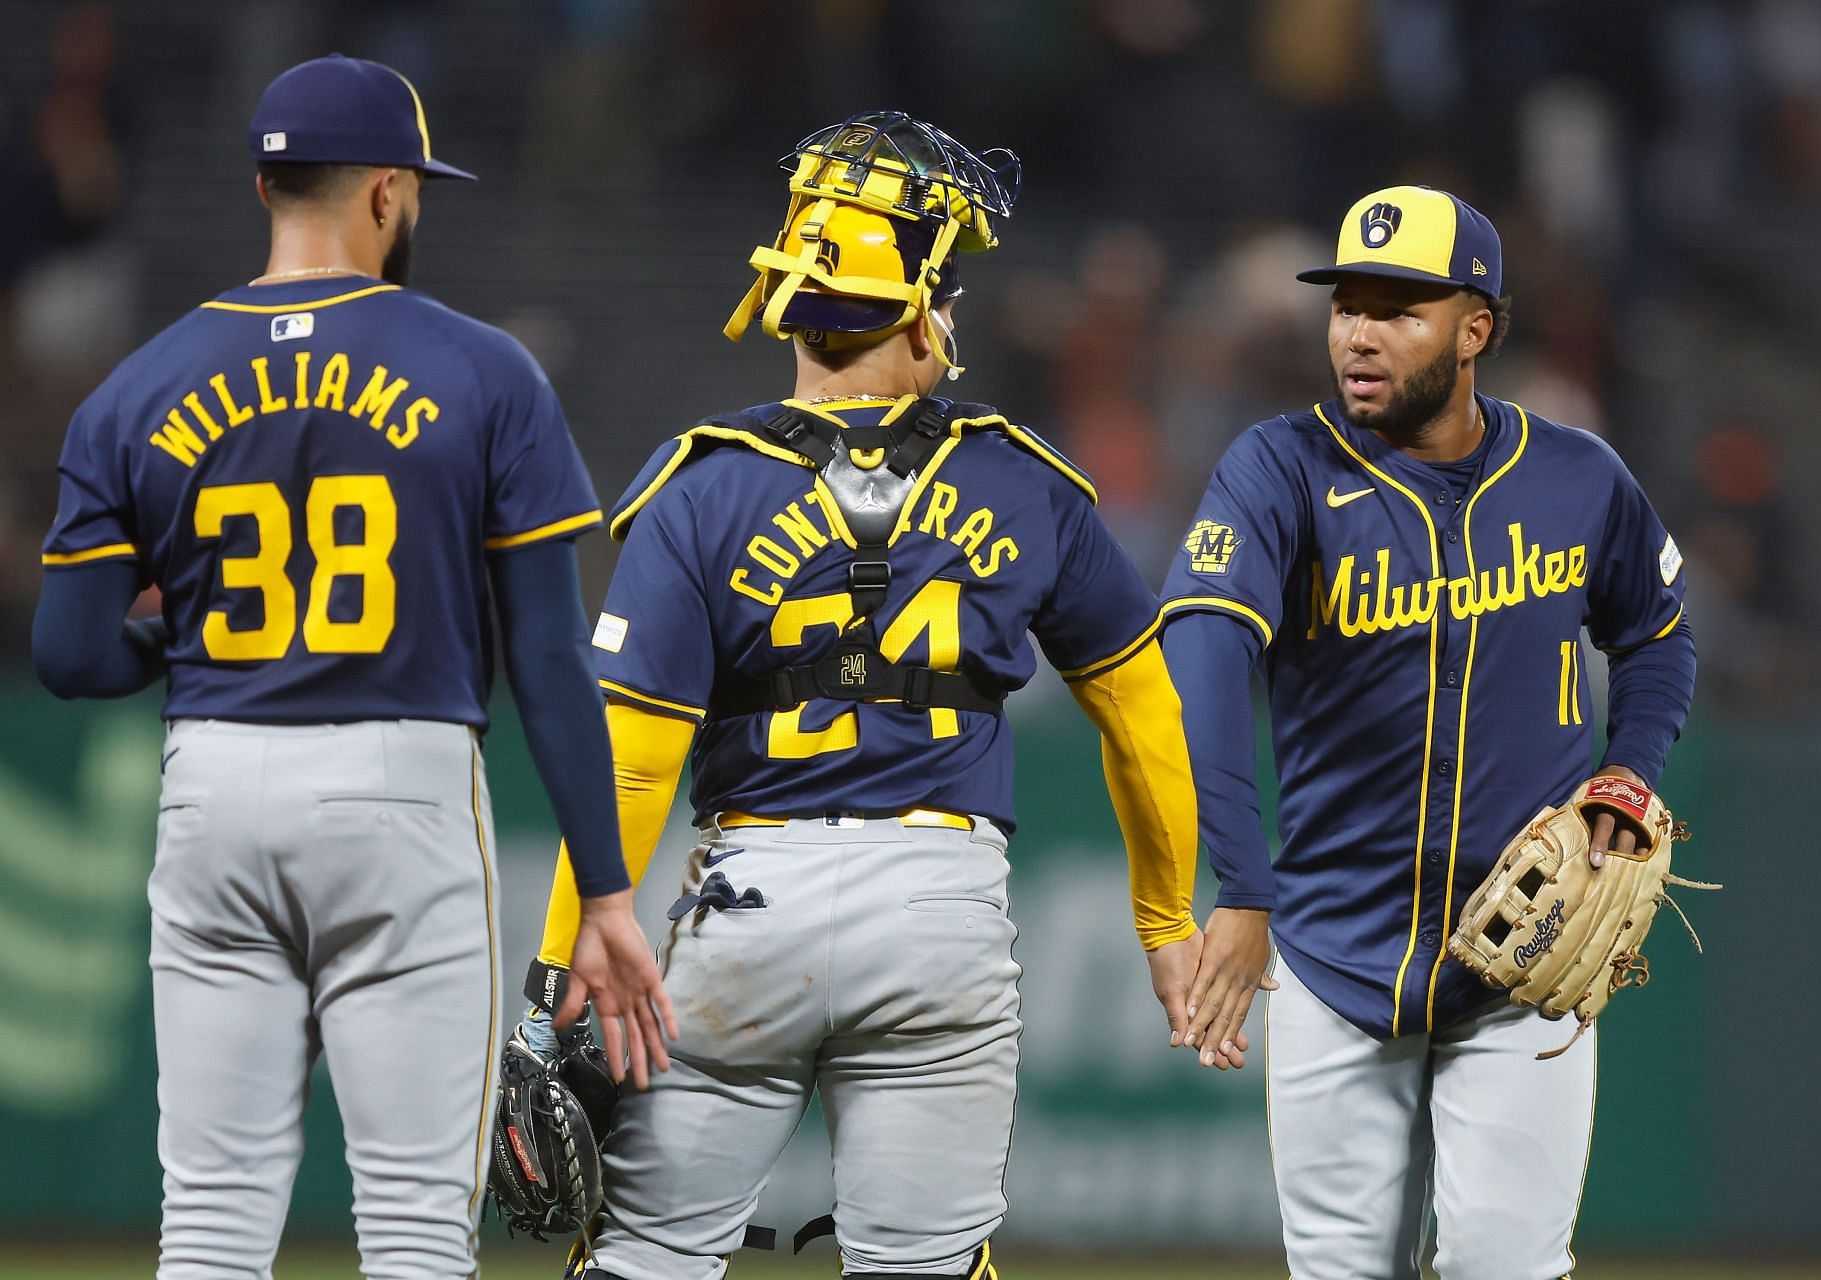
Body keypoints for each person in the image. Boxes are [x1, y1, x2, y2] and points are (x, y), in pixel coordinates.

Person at [512, 110, 1205, 1280]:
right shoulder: (1019, 477)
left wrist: (556, 971)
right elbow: (1144, 713)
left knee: (646, 1258)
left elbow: (632, 757)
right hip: (942, 910)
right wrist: (1167, 918)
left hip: (750, 908)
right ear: (920, 296)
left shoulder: (702, 485)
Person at [31, 54, 675, 1278]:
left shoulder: (133, 388)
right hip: (402, 786)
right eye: (415, 187)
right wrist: (602, 890)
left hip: (214, 783)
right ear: (386, 191)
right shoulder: (486, 372)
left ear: (269, 188)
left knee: (211, 1221)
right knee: (416, 1226)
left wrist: (185, 635)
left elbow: (66, 654)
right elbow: (546, 654)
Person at [1162, 185, 1696, 1278]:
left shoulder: (1579, 477)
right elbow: (1205, 652)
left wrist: (1628, 775)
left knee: (1505, 1267)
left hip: (1521, 958)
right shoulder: (1279, 468)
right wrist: (1245, 885)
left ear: (1475, 329)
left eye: (1400, 308)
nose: (1359, 333)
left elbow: (1657, 637)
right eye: (1348, 304)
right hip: (1331, 950)